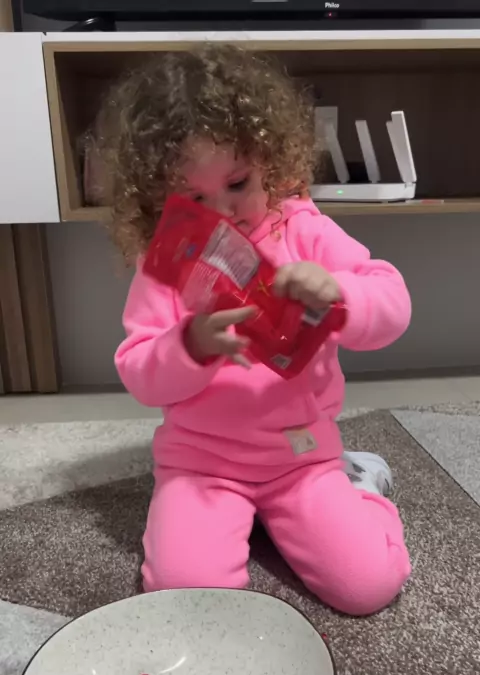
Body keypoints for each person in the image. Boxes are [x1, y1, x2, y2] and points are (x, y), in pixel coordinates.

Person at [95, 46, 412, 616]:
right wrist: (190, 345)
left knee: (368, 587)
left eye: (238, 183)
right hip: (202, 463)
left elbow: (392, 303)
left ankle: (360, 486)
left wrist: (339, 293)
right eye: (195, 198)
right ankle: (226, 519)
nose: (223, 211)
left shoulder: (305, 232)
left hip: (303, 456)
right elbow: (139, 371)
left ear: (269, 160)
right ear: (159, 199)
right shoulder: (165, 264)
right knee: (186, 594)